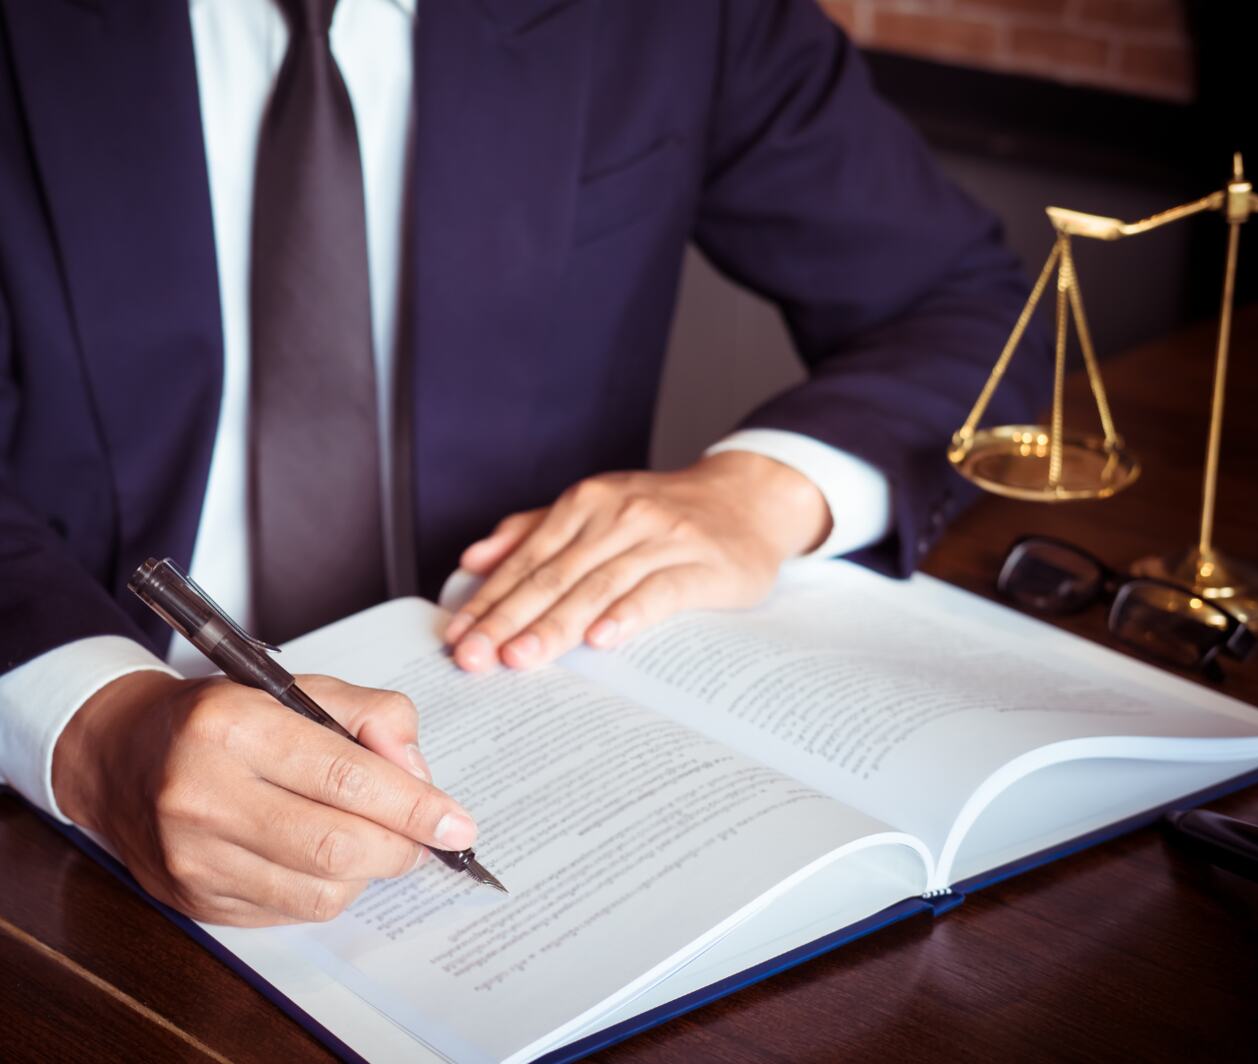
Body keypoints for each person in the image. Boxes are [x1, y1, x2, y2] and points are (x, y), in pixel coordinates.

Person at [0, 0, 1046, 926]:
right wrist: (95, 730)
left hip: (541, 737)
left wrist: (770, 488)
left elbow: (969, 300)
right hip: (61, 804)